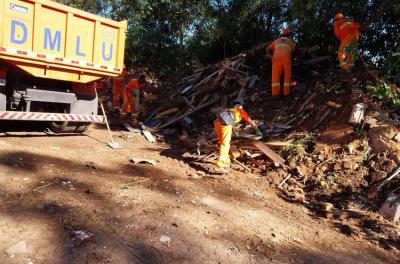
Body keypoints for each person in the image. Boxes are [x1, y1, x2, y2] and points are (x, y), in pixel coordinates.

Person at [213, 101, 262, 173]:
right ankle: (219, 165)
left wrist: (235, 132)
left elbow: (231, 121)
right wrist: (257, 131)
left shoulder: (230, 110)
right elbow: (251, 122)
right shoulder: (241, 111)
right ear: (240, 106)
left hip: (217, 123)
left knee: (223, 143)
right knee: (225, 144)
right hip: (225, 126)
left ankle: (226, 163)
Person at [266, 28, 296, 96]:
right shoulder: (290, 41)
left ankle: (275, 93)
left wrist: (270, 56)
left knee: (275, 75)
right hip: (286, 56)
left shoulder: (277, 40)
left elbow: (267, 48)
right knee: (287, 74)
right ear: (288, 35)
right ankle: (286, 93)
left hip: (276, 57)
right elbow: (293, 51)